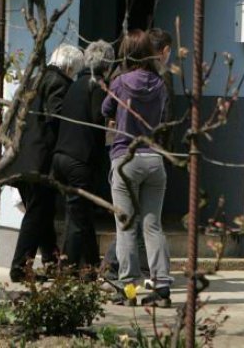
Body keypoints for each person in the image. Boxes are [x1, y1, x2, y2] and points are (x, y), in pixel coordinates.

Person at [102, 29, 173, 307]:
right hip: (154, 159)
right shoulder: (159, 83)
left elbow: (105, 109)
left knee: (126, 227)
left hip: (126, 158)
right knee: (153, 225)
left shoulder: (120, 82)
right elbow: (164, 115)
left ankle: (128, 290)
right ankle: (163, 287)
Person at [9, 44, 84, 282]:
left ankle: (51, 261)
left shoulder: (32, 79)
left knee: (43, 211)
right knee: (37, 212)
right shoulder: (58, 83)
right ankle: (20, 267)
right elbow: (57, 117)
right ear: (70, 67)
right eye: (76, 71)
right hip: (39, 160)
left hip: (21, 155)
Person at [52, 40, 114, 276]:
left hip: (62, 156)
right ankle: (66, 271)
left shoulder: (75, 84)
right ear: (107, 65)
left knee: (83, 213)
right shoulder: (96, 86)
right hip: (80, 159)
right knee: (77, 218)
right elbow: (98, 120)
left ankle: (91, 264)